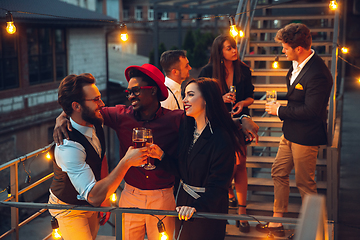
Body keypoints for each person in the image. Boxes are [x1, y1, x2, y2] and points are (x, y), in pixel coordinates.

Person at [53, 64, 259, 240]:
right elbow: (84, 110)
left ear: (152, 91)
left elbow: (208, 120)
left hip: (163, 196)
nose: (130, 95)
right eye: (128, 92)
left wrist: (241, 120)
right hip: (130, 194)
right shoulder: (119, 115)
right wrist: (62, 116)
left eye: (135, 90)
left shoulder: (176, 118)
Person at [48, 73, 148, 240]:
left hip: (90, 201)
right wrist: (126, 162)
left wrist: (106, 198)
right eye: (95, 100)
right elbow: (94, 196)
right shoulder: (68, 146)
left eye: (100, 98)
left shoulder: (96, 121)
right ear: (77, 106)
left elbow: (100, 158)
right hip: (68, 208)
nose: (102, 104)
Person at [258, 23, 333, 237]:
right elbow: (297, 97)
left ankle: (316, 232)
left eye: (285, 47)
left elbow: (311, 110)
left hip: (306, 136)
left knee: (305, 184)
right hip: (289, 133)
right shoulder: (296, 65)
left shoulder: (319, 73)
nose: (282, 50)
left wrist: (279, 110)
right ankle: (277, 221)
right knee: (278, 172)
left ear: (298, 48)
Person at [151, 77, 246, 240]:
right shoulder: (187, 129)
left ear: (207, 99)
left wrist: (195, 207)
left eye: (190, 95)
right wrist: (161, 157)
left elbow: (219, 186)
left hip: (207, 208)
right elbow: (184, 171)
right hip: (183, 202)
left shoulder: (222, 137)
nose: (184, 100)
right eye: (184, 95)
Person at [198, 34, 254, 233]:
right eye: (229, 48)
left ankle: (242, 212)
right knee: (222, 166)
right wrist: (220, 98)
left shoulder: (244, 70)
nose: (234, 50)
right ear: (219, 52)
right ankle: (227, 195)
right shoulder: (207, 72)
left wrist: (242, 103)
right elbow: (201, 101)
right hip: (217, 125)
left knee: (240, 164)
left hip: (238, 124)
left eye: (234, 47)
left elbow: (251, 97)